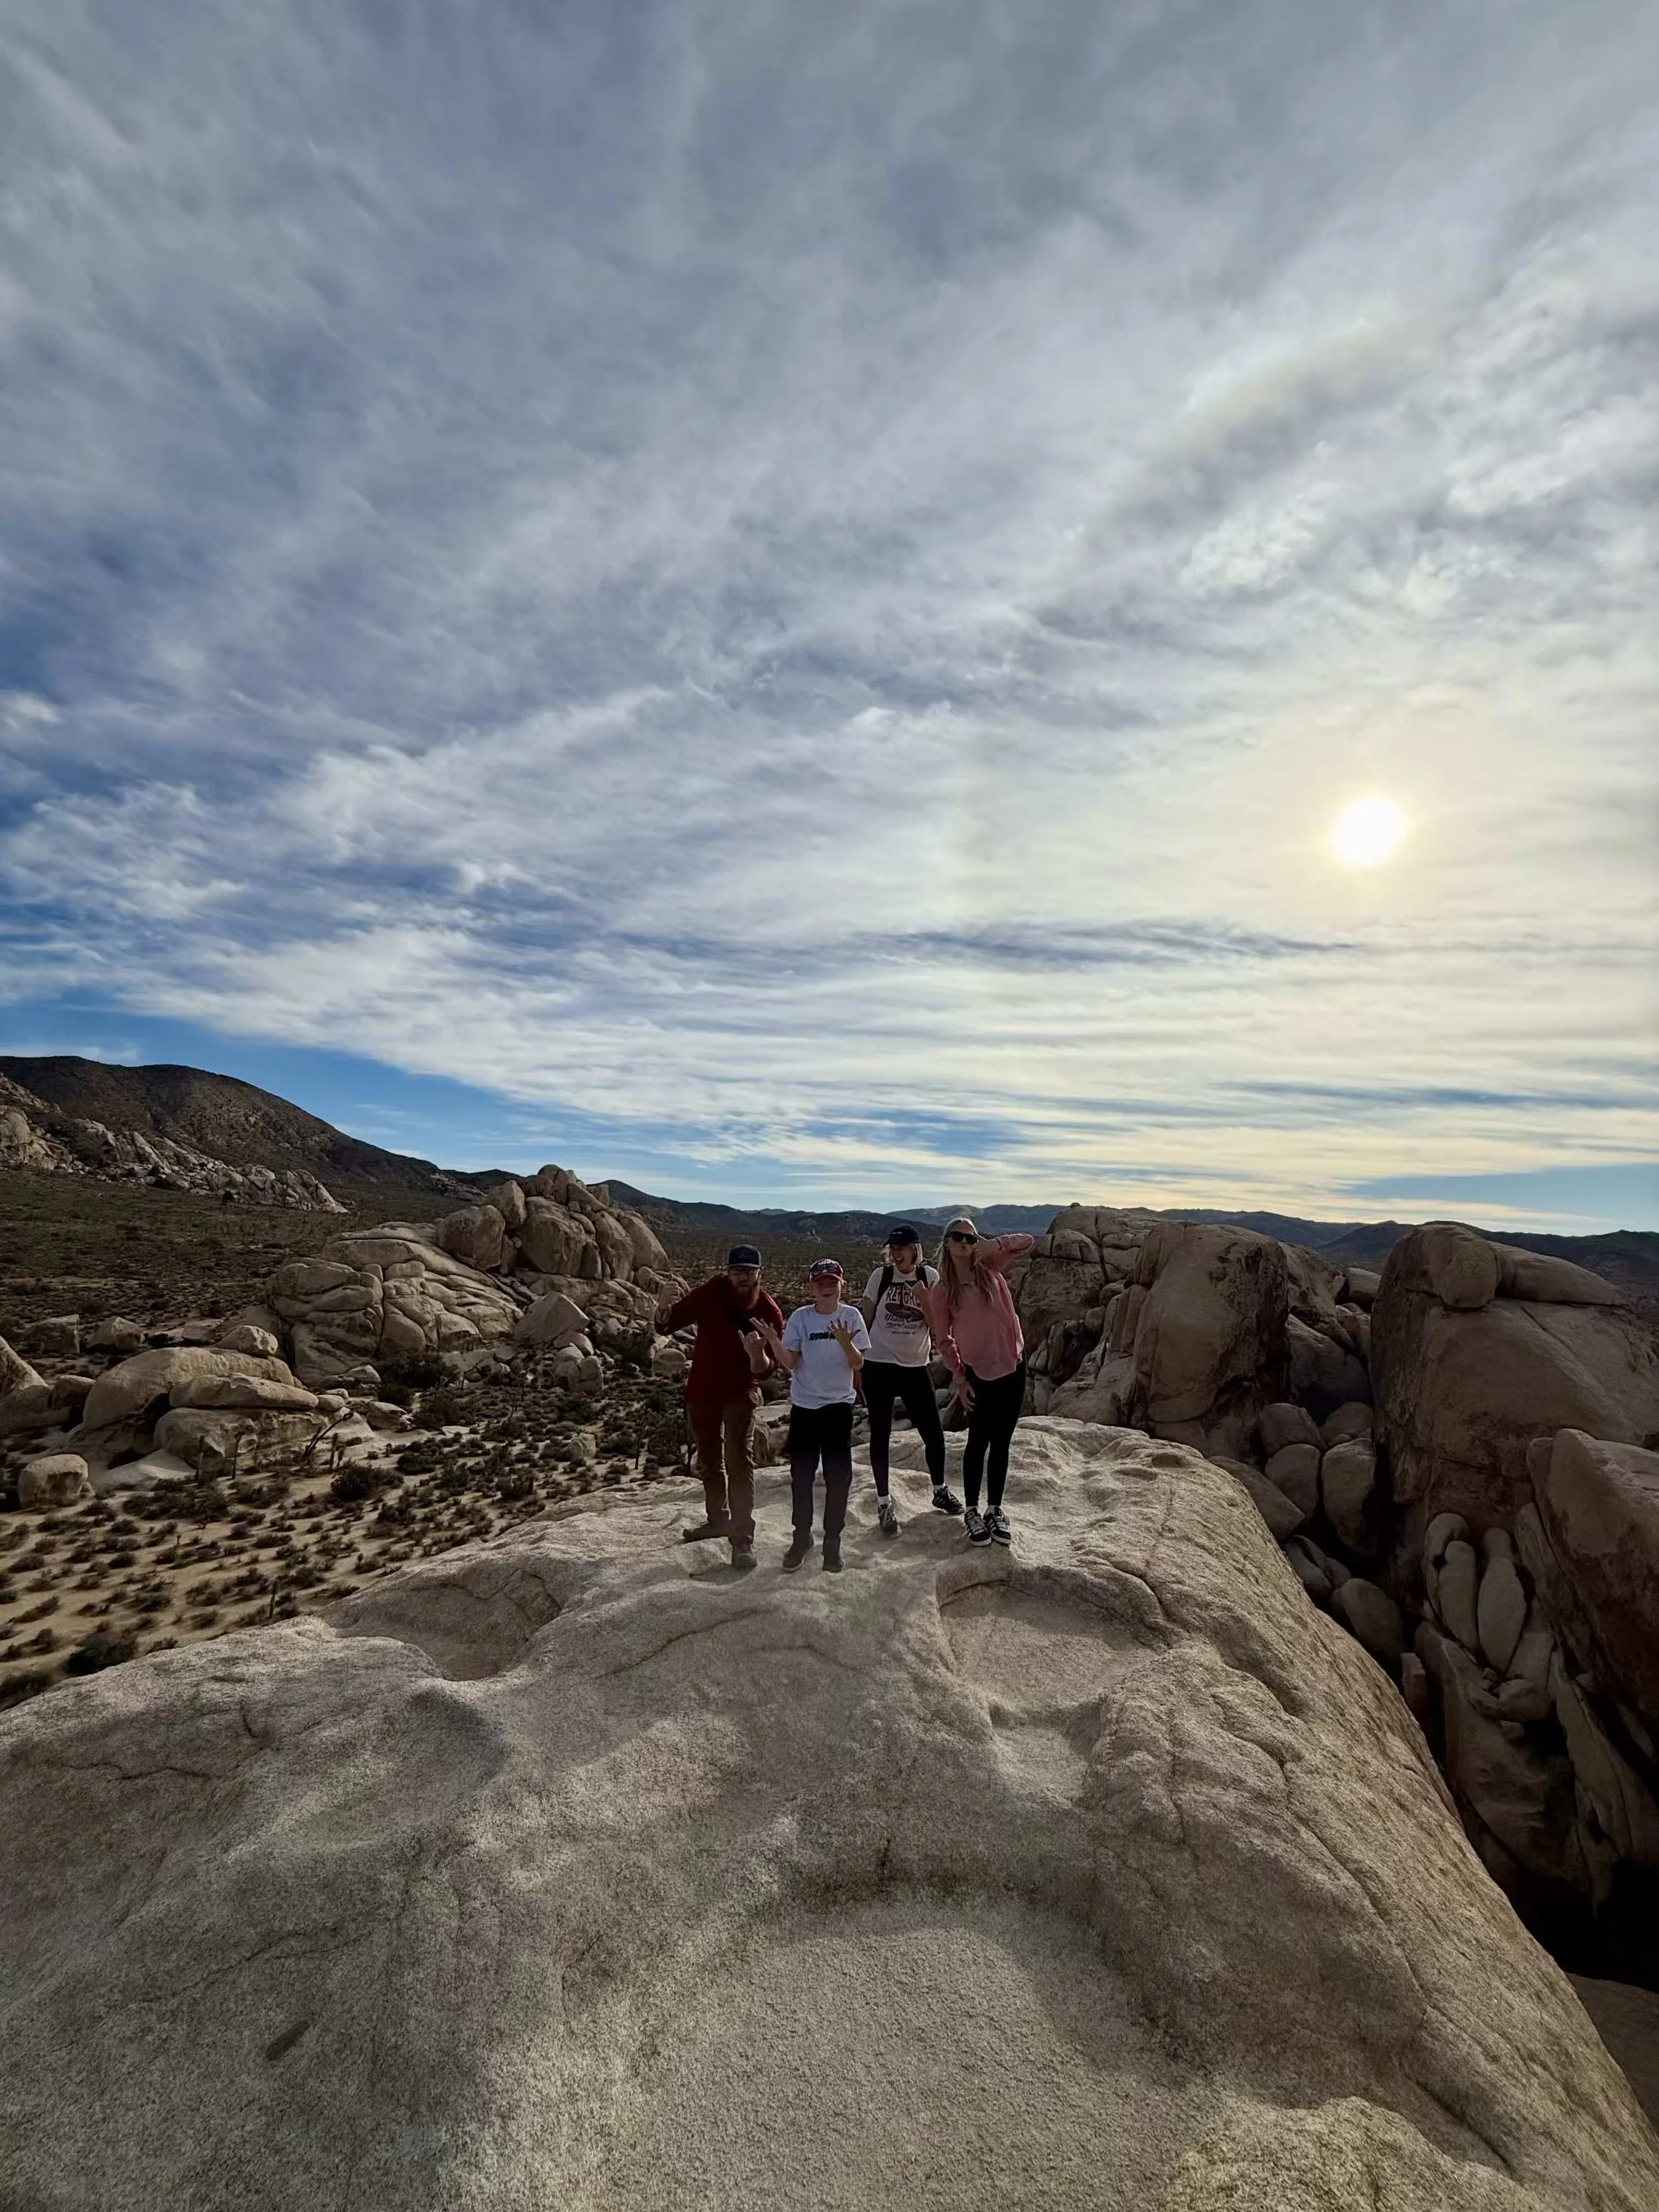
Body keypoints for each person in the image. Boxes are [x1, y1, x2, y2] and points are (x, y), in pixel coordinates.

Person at [655, 1244, 782, 1571]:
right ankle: (717, 1521)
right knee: (709, 1460)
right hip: (703, 1391)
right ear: (728, 1272)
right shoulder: (712, 1292)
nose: (743, 1276)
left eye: (749, 1271)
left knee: (739, 1460)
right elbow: (668, 1325)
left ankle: (742, 1540)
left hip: (740, 1393)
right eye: (737, 1270)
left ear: (760, 1274)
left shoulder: (768, 1313)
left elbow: (768, 1370)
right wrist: (663, 1308)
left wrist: (757, 1355)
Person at [752, 1259, 869, 1575]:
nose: (827, 1287)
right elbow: (790, 1362)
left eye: (832, 1282)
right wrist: (774, 1342)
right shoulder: (802, 1319)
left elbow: (858, 1364)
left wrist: (847, 1345)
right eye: (821, 1283)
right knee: (801, 1477)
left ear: (841, 1285)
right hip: (804, 1408)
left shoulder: (851, 1316)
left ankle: (833, 1540)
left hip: (837, 1408)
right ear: (812, 1287)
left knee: (837, 1476)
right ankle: (801, 1538)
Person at [925, 1217, 1035, 1546]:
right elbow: (944, 1340)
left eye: (970, 1238)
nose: (965, 1243)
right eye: (958, 1237)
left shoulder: (989, 1270)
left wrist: (993, 1245)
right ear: (946, 1244)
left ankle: (995, 1509)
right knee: (978, 1442)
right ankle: (971, 1511)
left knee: (1002, 1443)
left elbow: (1027, 1241)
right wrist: (959, 1378)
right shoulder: (942, 1291)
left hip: (1014, 1365)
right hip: (979, 1374)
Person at [857, 1223, 961, 1534]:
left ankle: (940, 1490)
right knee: (880, 1435)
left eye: (902, 1248)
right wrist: (857, 1367)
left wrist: (924, 1299)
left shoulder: (930, 1278)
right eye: (893, 1248)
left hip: (915, 1367)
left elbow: (938, 1326)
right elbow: (866, 1320)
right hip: (878, 1365)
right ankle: (884, 1502)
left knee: (933, 1432)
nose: (896, 1254)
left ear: (916, 1249)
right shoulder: (881, 1276)